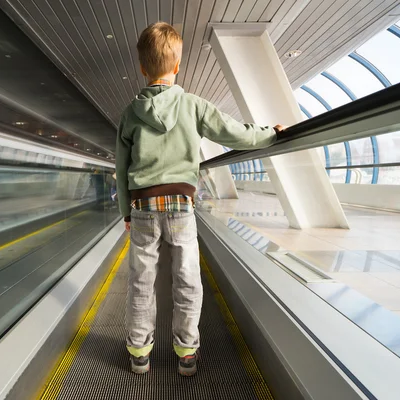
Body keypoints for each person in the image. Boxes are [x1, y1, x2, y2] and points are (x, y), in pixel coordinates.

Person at [115, 21, 285, 377]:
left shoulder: (130, 114)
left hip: (144, 208)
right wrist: (269, 133)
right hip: (180, 207)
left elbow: (121, 166)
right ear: (177, 66)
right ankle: (186, 351)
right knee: (188, 278)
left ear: (143, 68)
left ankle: (139, 351)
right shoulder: (193, 105)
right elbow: (234, 133)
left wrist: (124, 213)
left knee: (141, 280)